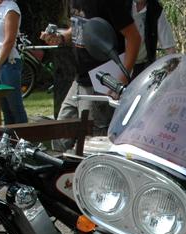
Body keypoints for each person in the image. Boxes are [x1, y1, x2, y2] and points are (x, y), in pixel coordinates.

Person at [41, 1, 141, 135]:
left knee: (92, 140)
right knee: (60, 135)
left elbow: (134, 38)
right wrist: (61, 37)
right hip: (79, 79)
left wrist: (119, 81)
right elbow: (80, 26)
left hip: (102, 83)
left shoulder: (110, 3)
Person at [131, 0, 176, 76]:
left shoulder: (155, 10)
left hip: (142, 67)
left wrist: (172, 72)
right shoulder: (122, 5)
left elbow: (169, 47)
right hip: (117, 63)